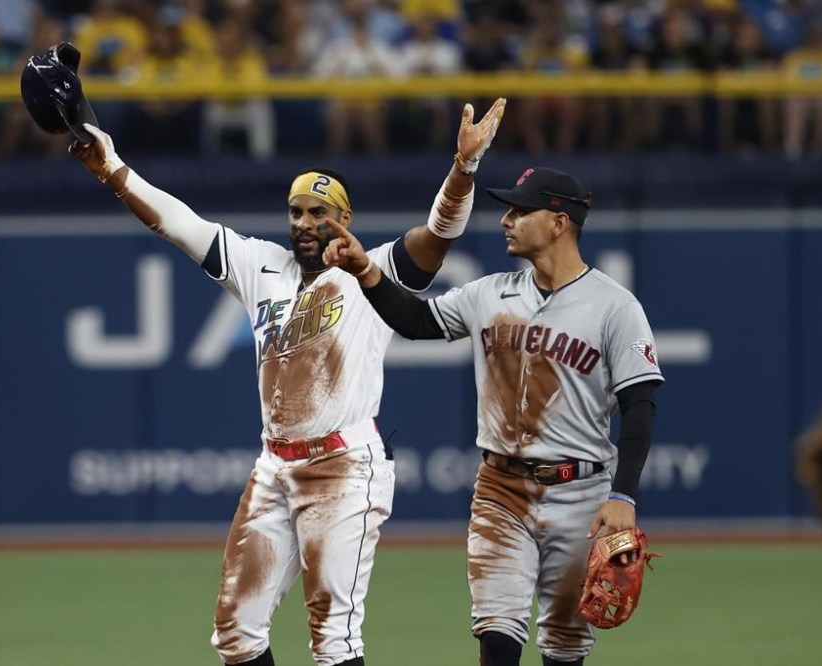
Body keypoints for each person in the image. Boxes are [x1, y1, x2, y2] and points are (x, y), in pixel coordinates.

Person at [67, 99, 506, 666]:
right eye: (296, 210)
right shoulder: (261, 266)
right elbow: (177, 223)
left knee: (333, 639)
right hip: (275, 466)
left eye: (318, 211)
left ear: (343, 220)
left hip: (344, 469)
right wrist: (112, 167)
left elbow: (439, 234)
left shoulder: (372, 272)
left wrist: (463, 170)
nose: (303, 222)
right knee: (236, 632)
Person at [321, 166, 664, 666]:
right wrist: (367, 274)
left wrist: (624, 496)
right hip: (500, 490)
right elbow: (417, 322)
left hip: (581, 495)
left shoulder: (615, 306)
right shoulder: (489, 292)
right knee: (498, 639)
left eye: (520, 210)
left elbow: (641, 402)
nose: (506, 219)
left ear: (558, 222)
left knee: (565, 650)